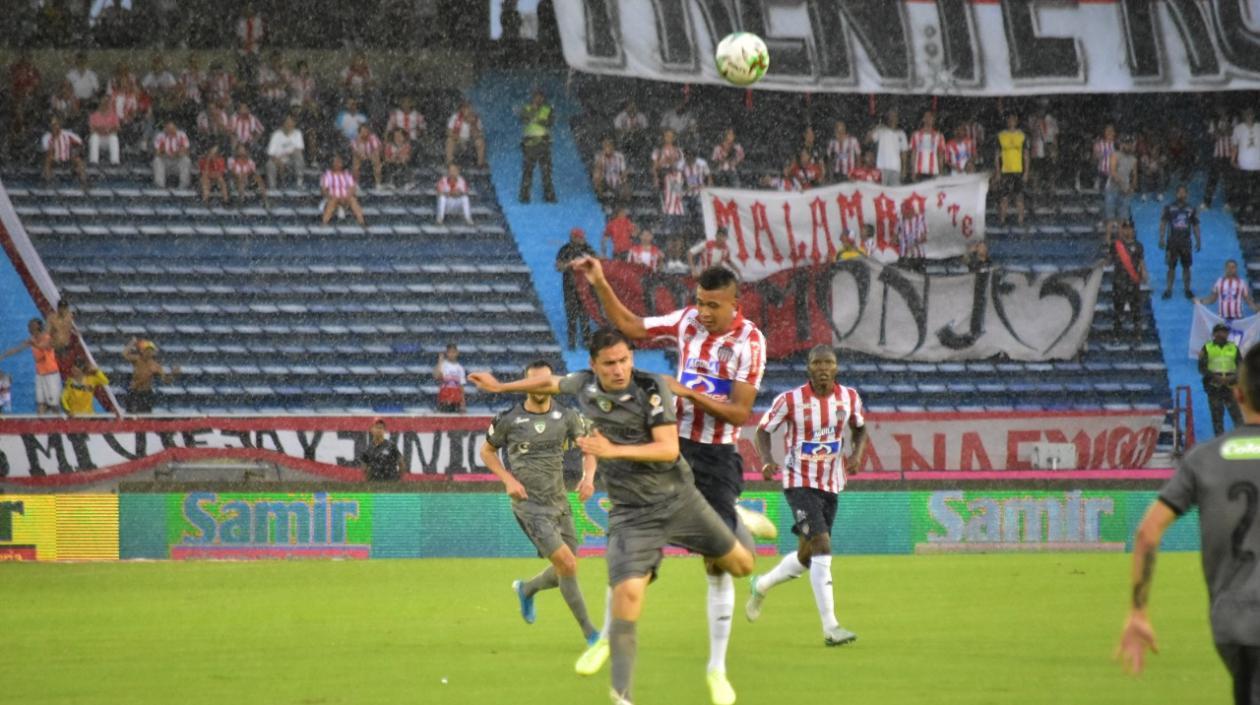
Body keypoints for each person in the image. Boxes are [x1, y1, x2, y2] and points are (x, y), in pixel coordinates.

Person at [468, 328, 755, 705]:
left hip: (678, 498)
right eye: (609, 363)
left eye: (624, 360)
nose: (618, 370)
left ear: (631, 359)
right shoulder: (583, 387)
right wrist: (499, 387)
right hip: (630, 513)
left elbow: (668, 449)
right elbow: (551, 381)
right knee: (625, 592)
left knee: (742, 566)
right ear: (593, 365)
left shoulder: (651, 389)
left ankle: (735, 518)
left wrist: (609, 452)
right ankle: (614, 679)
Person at [570, 258, 765, 705]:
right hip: (667, 443)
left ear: (736, 303)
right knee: (631, 553)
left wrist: (688, 392)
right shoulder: (685, 321)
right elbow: (630, 325)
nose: (703, 311)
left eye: (713, 305)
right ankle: (607, 637)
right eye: (699, 301)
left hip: (714, 456)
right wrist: (600, 282)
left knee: (719, 565)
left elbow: (738, 413)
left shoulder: (751, 343)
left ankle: (716, 668)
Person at [1116, 343, 1260, 703]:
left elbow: (1147, 533)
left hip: (1233, 622)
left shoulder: (1204, 459)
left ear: (1238, 394)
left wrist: (1138, 611)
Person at [747, 345, 867, 645]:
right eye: (817, 363)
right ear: (809, 368)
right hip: (799, 481)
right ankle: (831, 628)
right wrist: (766, 459)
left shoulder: (849, 397)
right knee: (822, 545)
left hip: (831, 483)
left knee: (807, 555)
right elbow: (762, 430)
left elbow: (860, 429)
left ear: (837, 368)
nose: (823, 368)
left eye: (829, 362)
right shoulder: (789, 400)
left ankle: (761, 585)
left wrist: (855, 454)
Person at [479, 360, 599, 648]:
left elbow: (589, 448)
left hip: (559, 502)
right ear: (526, 384)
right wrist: (508, 480)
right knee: (567, 564)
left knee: (567, 568)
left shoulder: (567, 416)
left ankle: (527, 589)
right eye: (534, 382)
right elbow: (487, 452)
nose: (540, 387)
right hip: (529, 507)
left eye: (545, 381)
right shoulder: (508, 419)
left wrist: (589, 477)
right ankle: (592, 634)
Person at [0, 319, 61, 415]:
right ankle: (41, 426)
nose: (28, 327)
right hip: (40, 374)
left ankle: (59, 424)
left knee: (53, 404)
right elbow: (17, 349)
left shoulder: (46, 338)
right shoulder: (31, 339)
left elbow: (43, 346)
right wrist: (3, 356)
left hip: (51, 374)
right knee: (40, 402)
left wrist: (32, 343)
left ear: (37, 327)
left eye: (30, 325)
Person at [1198, 323, 1243, 436]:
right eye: (1218, 331)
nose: (1221, 334)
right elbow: (1201, 367)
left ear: (1227, 334)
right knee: (1217, 417)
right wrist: (1215, 377)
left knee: (1237, 417)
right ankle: (1219, 443)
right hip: (1214, 386)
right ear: (1214, 334)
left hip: (1231, 385)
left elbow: (1241, 367)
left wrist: (1232, 377)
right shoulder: (1207, 348)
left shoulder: (1233, 348)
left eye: (1224, 332)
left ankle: (1242, 441)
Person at [556, 228, 596, 350]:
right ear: (572, 237)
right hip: (570, 286)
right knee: (571, 316)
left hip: (585, 287)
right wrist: (570, 264)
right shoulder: (565, 249)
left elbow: (597, 264)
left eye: (581, 237)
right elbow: (559, 267)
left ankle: (587, 340)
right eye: (578, 237)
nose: (580, 239)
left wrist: (585, 265)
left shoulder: (588, 249)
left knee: (585, 316)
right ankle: (572, 342)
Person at [1158, 185, 1201, 300]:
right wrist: (1161, 238)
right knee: (1171, 267)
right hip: (1172, 242)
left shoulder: (1191, 209)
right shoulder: (1169, 207)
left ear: (1187, 194)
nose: (1181, 194)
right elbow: (1163, 223)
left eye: (1184, 192)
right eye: (1179, 192)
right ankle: (1168, 290)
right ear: (1176, 194)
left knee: (1186, 267)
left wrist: (1198, 240)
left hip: (1186, 243)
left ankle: (1187, 289)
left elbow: (1195, 225)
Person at [1111, 218, 1148, 340]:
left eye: (1129, 228)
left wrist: (1144, 272)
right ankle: (1117, 335)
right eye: (1125, 228)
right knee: (1118, 310)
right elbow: (1109, 259)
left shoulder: (1138, 246)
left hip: (1133, 281)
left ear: (1133, 230)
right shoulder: (1116, 245)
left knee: (1136, 309)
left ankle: (1137, 334)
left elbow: (1141, 261)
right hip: (1119, 281)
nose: (1127, 231)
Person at [122, 338, 179, 414]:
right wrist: (132, 343)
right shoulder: (137, 360)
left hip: (146, 394)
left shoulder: (155, 366)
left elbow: (166, 380)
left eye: (151, 350)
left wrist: (173, 374)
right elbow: (124, 354)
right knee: (130, 415)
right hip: (134, 392)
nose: (148, 352)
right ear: (142, 351)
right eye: (146, 350)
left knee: (145, 415)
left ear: (153, 353)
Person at [519, 89, 556, 203]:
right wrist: (535, 117)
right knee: (528, 172)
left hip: (543, 143)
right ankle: (524, 196)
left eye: (540, 97)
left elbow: (550, 122)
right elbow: (524, 119)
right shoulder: (526, 108)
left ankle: (549, 196)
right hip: (529, 144)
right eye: (536, 97)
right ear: (532, 98)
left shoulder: (547, 109)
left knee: (546, 172)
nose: (538, 99)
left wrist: (536, 119)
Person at [996, 112, 1028, 228]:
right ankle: (1002, 220)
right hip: (1005, 171)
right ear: (1007, 121)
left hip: (1018, 170)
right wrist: (998, 172)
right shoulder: (1001, 136)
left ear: (1016, 120)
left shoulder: (1022, 136)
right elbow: (997, 156)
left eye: (1013, 119)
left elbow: (1026, 155)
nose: (1011, 121)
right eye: (1009, 119)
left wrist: (1026, 172)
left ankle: (1021, 220)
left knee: (1019, 197)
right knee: (1004, 197)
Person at [1105, 137, 1139, 242]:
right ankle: (1108, 241)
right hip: (1112, 189)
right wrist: (1123, 186)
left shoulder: (1134, 160)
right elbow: (1113, 172)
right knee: (1110, 217)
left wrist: (1132, 188)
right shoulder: (1115, 155)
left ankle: (1120, 241)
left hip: (1125, 191)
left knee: (1123, 218)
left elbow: (1134, 176)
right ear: (1122, 144)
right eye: (1126, 144)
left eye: (1130, 144)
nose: (1128, 146)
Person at [41, 118, 87, 189]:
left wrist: (75, 152)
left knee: (78, 160)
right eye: (53, 125)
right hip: (55, 159)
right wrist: (53, 139)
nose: (55, 127)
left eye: (57, 125)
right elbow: (47, 151)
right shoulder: (46, 137)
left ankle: (83, 181)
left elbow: (80, 143)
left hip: (68, 157)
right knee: (48, 159)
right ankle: (48, 181)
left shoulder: (67, 134)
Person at [320, 156, 366, 226]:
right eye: (336, 162)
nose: (338, 164)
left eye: (339, 162)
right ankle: (324, 222)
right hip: (332, 197)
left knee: (353, 200)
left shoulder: (347, 174)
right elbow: (324, 189)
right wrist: (330, 196)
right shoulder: (327, 175)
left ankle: (362, 222)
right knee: (332, 201)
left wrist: (348, 195)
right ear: (332, 164)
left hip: (345, 197)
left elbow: (352, 187)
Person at [1205, 104, 1235, 209]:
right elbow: (1213, 136)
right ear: (1217, 110)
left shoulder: (1233, 119)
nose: (1222, 111)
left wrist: (1224, 128)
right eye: (1219, 109)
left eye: (1223, 108)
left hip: (1229, 154)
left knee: (1229, 180)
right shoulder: (1214, 121)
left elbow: (1232, 133)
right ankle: (1207, 202)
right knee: (1212, 179)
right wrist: (1222, 132)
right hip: (1218, 154)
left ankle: (1230, 203)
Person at [1232, 107, 1260, 219]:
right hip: (1243, 165)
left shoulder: (1259, 127)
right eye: (1247, 113)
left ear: (1254, 115)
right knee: (1243, 190)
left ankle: (1257, 214)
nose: (1249, 115)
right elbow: (1234, 145)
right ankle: (1242, 214)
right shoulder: (1238, 129)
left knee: (1257, 191)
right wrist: (1232, 160)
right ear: (1243, 115)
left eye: (1251, 113)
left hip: (1258, 165)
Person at [866, 109, 907, 185]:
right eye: (890, 116)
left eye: (894, 116)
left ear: (897, 118)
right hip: (881, 167)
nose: (892, 118)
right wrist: (876, 128)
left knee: (895, 193)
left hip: (896, 168)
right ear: (887, 118)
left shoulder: (901, 133)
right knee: (881, 192)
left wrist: (904, 169)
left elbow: (904, 152)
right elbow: (867, 140)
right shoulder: (881, 130)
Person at [265, 115, 305, 190]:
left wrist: (287, 155)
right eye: (287, 122)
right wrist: (278, 161)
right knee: (270, 164)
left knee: (298, 156)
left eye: (291, 122)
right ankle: (272, 187)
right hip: (277, 159)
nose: (289, 124)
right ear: (283, 124)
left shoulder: (298, 133)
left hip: (291, 160)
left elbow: (299, 150)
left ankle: (299, 183)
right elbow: (270, 153)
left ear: (294, 124)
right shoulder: (276, 134)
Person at [152, 121, 192, 190]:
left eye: (172, 129)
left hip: (177, 161)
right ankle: (160, 186)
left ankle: (183, 186)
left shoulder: (182, 135)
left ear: (176, 128)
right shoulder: (160, 136)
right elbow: (156, 153)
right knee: (157, 160)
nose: (170, 131)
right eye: (168, 129)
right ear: (165, 129)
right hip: (165, 161)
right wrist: (164, 152)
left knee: (186, 160)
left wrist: (176, 153)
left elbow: (186, 151)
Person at [445, 100, 487, 167]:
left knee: (480, 141)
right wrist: (457, 138)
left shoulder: (476, 118)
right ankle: (449, 163)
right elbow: (448, 132)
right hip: (458, 140)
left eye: (468, 107)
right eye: (464, 108)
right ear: (461, 109)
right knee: (449, 141)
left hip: (471, 141)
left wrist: (472, 124)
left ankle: (480, 164)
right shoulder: (455, 117)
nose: (466, 110)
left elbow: (479, 134)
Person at [593, 136, 630, 208]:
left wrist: (623, 181)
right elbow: (597, 169)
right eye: (605, 146)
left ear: (612, 147)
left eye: (609, 146)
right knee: (596, 176)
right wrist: (602, 157)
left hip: (617, 179)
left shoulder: (619, 156)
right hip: (604, 179)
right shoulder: (599, 156)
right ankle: (601, 199)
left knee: (626, 191)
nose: (607, 148)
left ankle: (621, 204)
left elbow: (623, 170)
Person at [909, 110, 945, 181]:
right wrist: (912, 171)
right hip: (919, 171)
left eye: (931, 117)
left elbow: (940, 155)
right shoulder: (915, 135)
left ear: (933, 120)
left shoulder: (939, 136)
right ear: (923, 119)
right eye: (926, 116)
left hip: (934, 172)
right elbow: (913, 154)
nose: (928, 119)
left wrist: (941, 171)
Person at [434, 344, 466, 413]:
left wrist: (463, 403)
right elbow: (437, 376)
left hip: (456, 397)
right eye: (449, 352)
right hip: (445, 397)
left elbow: (461, 386)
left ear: (457, 353)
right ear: (447, 353)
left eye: (453, 352)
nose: (451, 354)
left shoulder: (460, 368)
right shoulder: (443, 365)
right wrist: (440, 361)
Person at [351, 124, 383, 190]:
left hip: (372, 155)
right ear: (359, 132)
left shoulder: (373, 137)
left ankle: (378, 184)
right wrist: (362, 156)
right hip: (361, 156)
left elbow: (376, 150)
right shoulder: (355, 139)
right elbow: (355, 151)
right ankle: (356, 184)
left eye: (366, 130)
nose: (365, 132)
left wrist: (370, 156)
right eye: (363, 131)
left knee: (376, 159)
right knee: (355, 160)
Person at [88, 99, 120, 165]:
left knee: (114, 138)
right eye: (103, 104)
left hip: (108, 138)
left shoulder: (114, 115)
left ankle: (115, 161)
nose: (105, 105)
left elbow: (117, 128)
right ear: (100, 105)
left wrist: (108, 130)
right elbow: (91, 129)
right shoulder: (93, 116)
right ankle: (94, 161)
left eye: (107, 104)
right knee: (94, 137)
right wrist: (101, 130)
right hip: (98, 138)